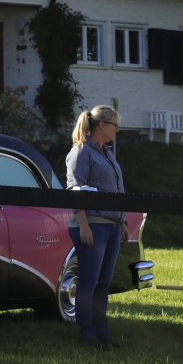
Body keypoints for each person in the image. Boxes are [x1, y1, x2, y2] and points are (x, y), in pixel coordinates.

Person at [65, 105, 126, 348]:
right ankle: (87, 334)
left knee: (103, 284)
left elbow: (116, 190)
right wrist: (83, 225)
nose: (117, 130)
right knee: (88, 282)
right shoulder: (81, 152)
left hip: (111, 227)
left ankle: (102, 332)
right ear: (101, 125)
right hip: (92, 226)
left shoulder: (107, 153)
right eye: (114, 125)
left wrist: (121, 221)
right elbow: (74, 189)